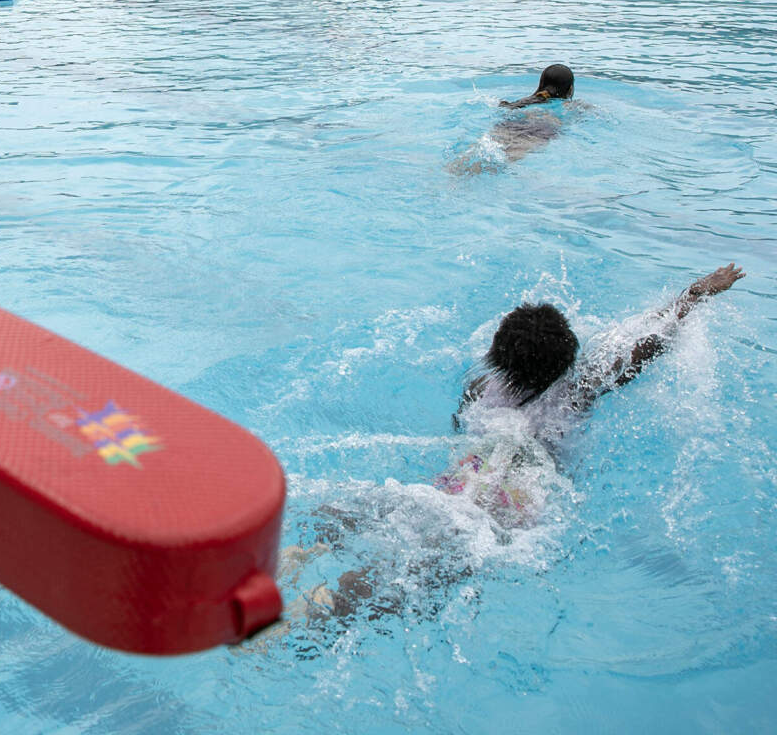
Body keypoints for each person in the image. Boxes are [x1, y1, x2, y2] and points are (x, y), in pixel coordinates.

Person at [290, 265, 747, 620]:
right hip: (521, 499)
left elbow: (459, 431)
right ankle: (322, 608)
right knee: (432, 571)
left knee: (404, 522)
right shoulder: (579, 388)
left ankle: (307, 553)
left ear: (497, 356)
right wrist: (695, 293)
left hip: (464, 476)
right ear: (569, 355)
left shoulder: (478, 389)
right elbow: (647, 345)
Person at [450, 65, 577, 175]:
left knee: (470, 159)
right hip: (539, 130)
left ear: (541, 84)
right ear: (570, 89)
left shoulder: (522, 102)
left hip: (509, 125)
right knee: (497, 163)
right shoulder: (572, 107)